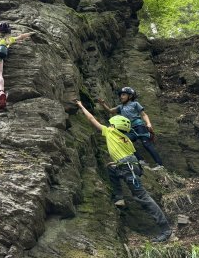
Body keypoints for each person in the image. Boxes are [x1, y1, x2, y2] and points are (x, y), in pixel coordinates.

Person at [74, 100, 172, 243]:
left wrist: (81, 105)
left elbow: (91, 119)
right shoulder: (126, 139)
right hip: (131, 166)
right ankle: (119, 198)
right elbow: (129, 156)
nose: (109, 125)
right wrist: (117, 163)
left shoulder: (110, 131)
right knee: (111, 168)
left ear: (114, 125)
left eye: (111, 124)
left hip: (129, 168)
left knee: (142, 197)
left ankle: (166, 229)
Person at [97, 87, 164, 170]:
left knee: (146, 144)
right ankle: (141, 160)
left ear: (130, 96)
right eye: (121, 95)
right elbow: (110, 111)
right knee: (124, 141)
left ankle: (160, 165)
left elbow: (144, 115)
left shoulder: (135, 104)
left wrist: (148, 123)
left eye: (123, 94)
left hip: (139, 126)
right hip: (130, 129)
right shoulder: (120, 107)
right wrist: (103, 104)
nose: (121, 97)